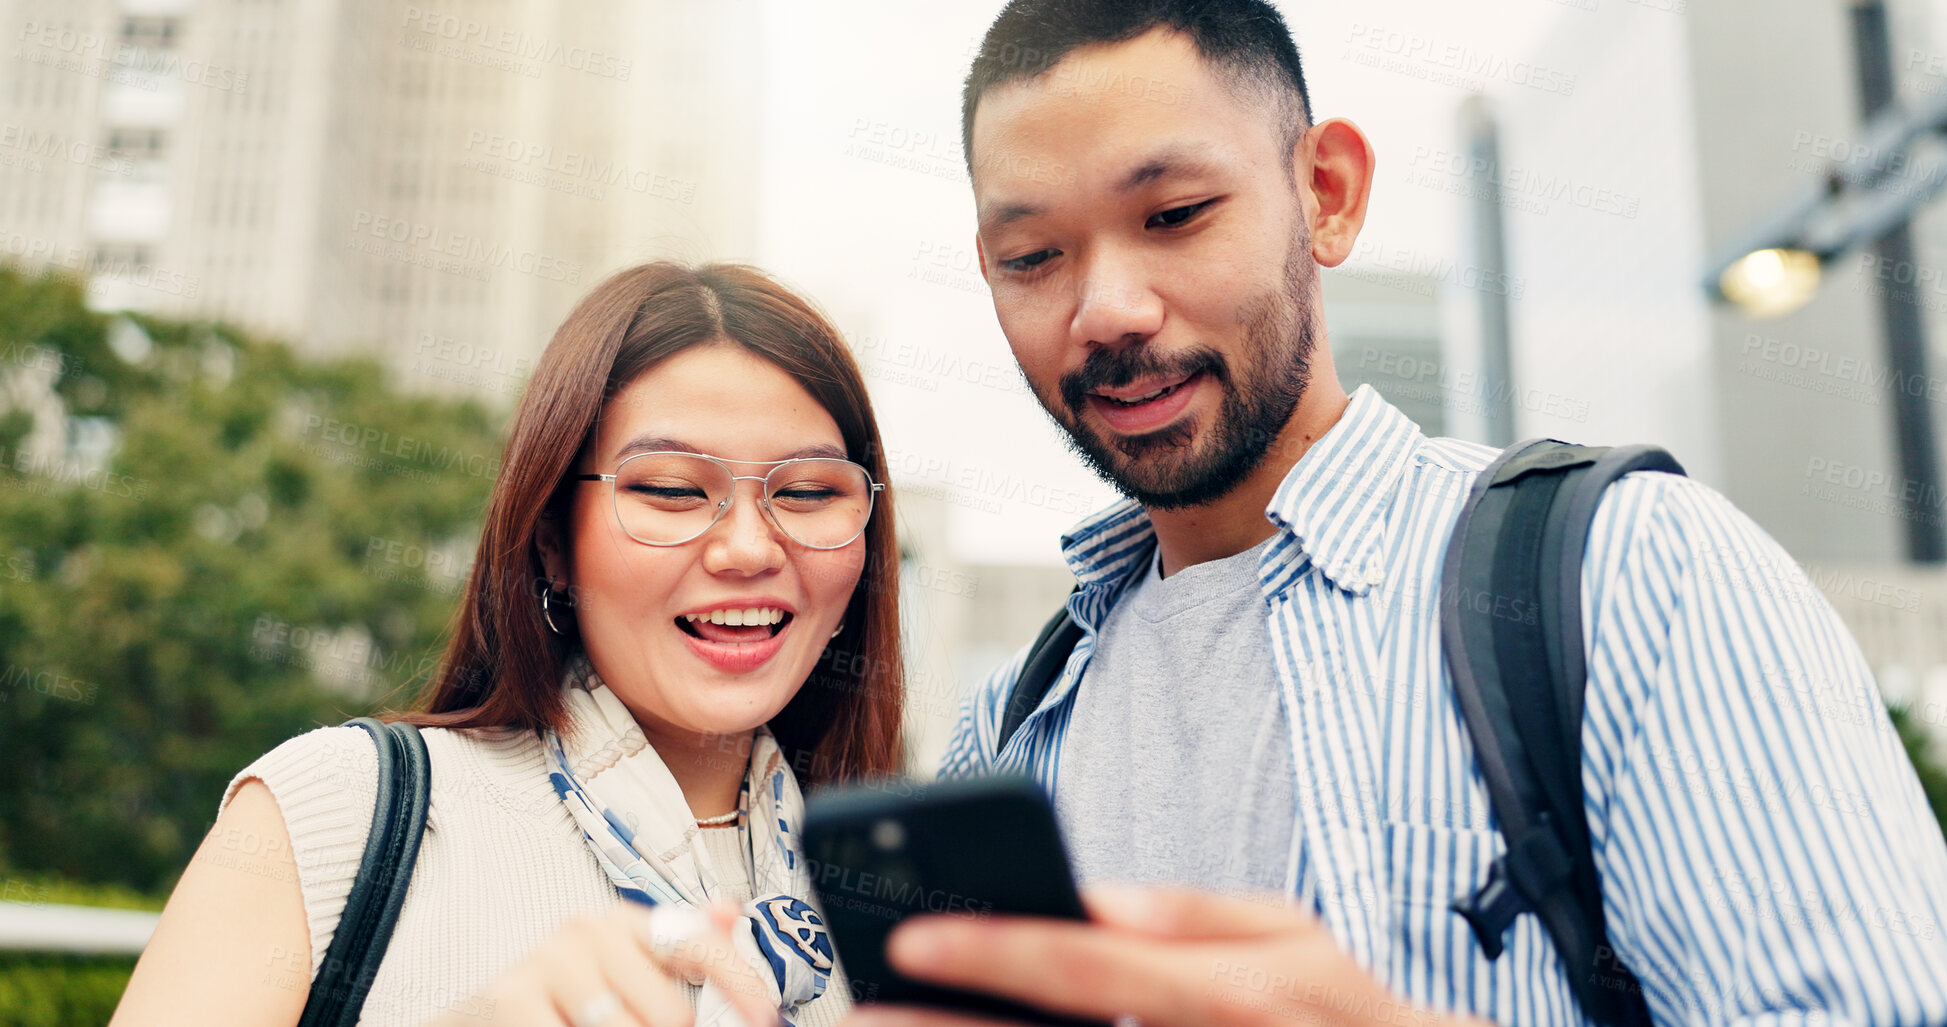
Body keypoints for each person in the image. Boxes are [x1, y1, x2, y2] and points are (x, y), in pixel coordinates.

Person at [845, 2, 1947, 1026]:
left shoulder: (1635, 576)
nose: (1107, 311)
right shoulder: (1016, 724)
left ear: (1326, 194)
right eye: (1032, 257)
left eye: (1175, 214)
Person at [111, 262, 905, 1027]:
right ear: (552, 540)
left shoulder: (903, 900)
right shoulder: (339, 807)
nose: (747, 549)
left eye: (807, 493)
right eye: (668, 489)